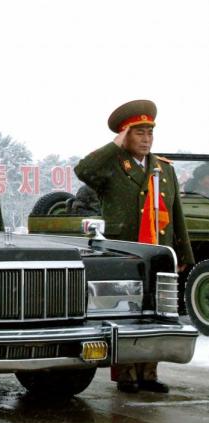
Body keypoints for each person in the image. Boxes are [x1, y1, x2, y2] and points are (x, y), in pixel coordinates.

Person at [75, 99, 194, 394]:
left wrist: (182, 252)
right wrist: (114, 145)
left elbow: (175, 210)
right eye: (138, 133)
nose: (146, 139)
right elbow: (83, 169)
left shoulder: (163, 169)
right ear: (125, 135)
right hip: (125, 251)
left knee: (156, 310)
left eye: (149, 133)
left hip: (157, 250)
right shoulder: (112, 167)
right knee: (128, 311)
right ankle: (127, 375)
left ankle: (149, 374)